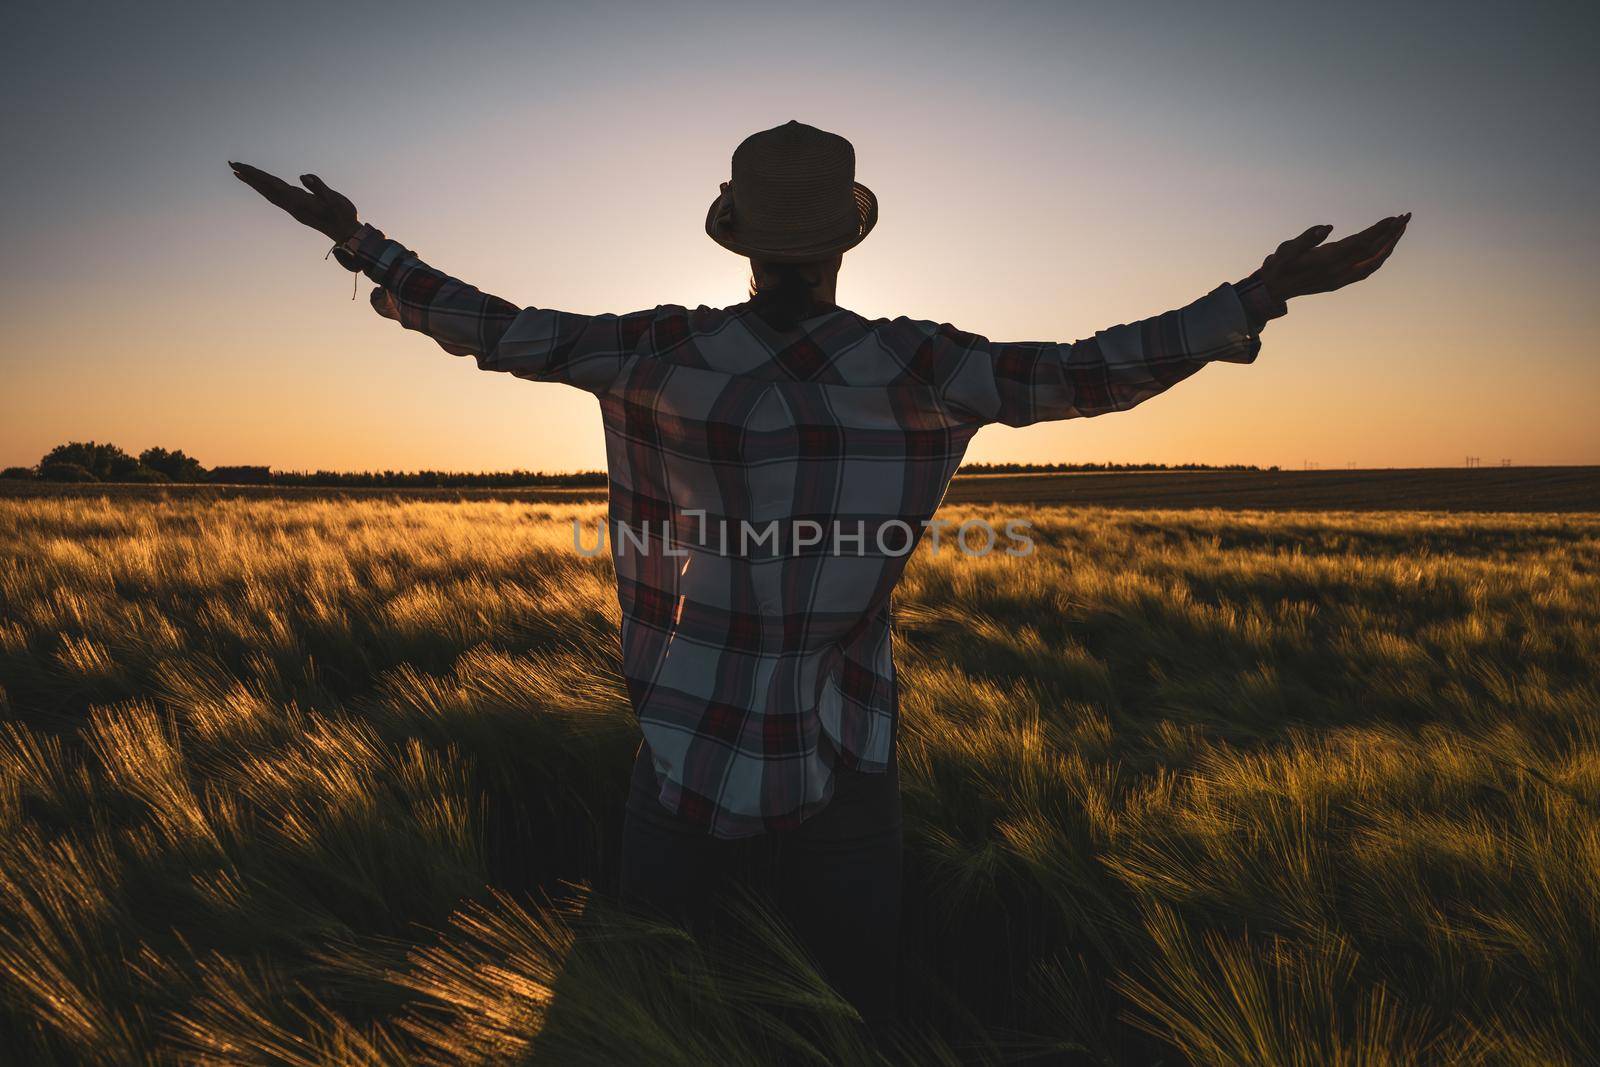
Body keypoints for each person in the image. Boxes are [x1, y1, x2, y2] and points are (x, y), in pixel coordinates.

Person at [231, 120, 1408, 1028]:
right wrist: (1262, 293)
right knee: (853, 1001)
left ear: (735, 237)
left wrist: (355, 237)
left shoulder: (656, 349)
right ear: (846, 239)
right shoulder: (920, 366)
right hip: (847, 742)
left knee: (638, 976)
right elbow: (1097, 369)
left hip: (680, 734)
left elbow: (488, 322)